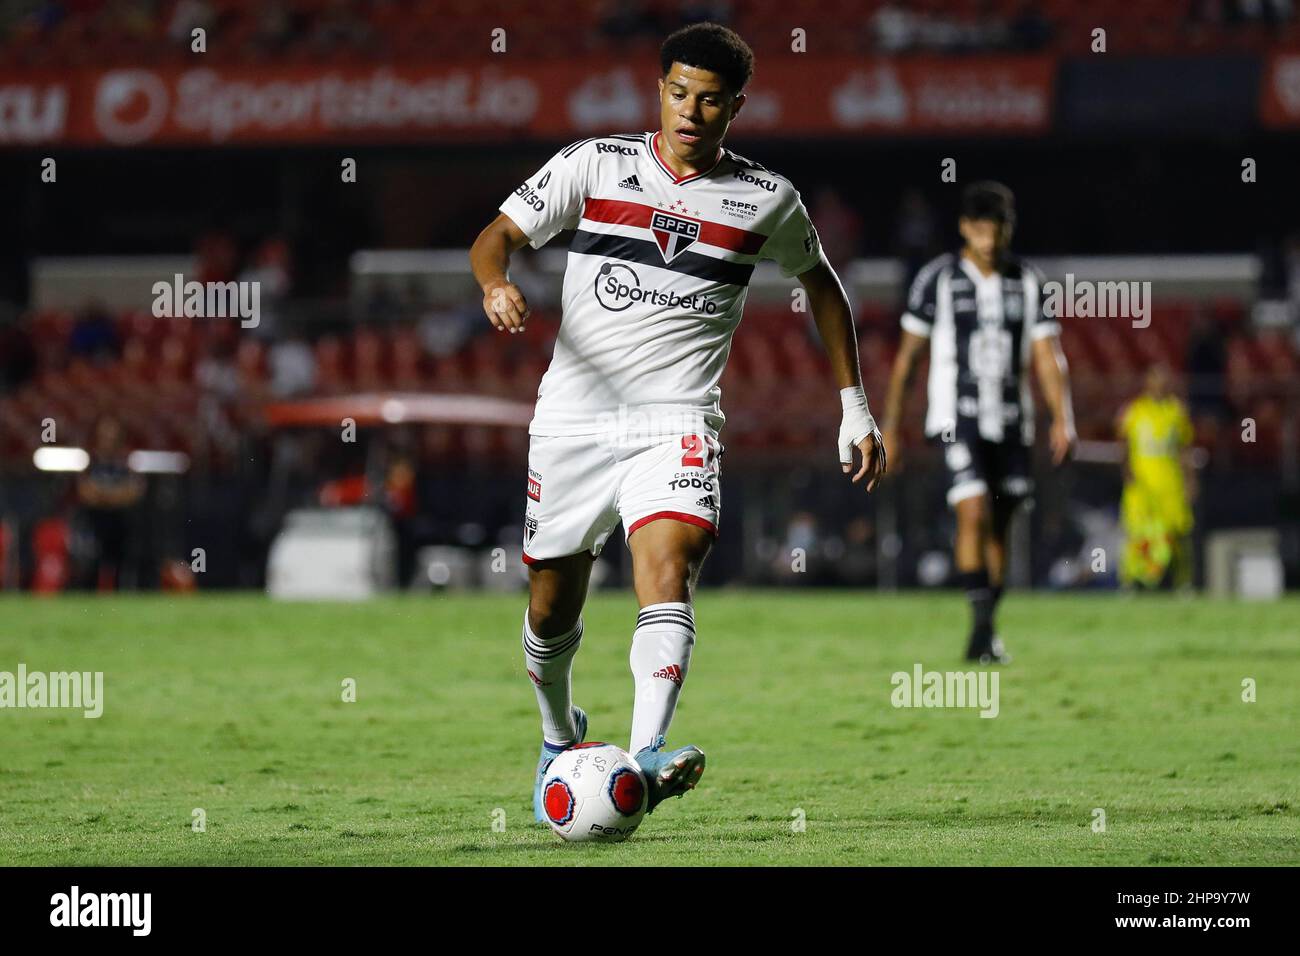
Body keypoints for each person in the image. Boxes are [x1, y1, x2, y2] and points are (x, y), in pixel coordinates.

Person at [468, 22, 886, 825]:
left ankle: (647, 753)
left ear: (736, 106)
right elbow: (497, 238)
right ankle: (560, 737)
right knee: (551, 608)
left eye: (710, 100)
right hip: (573, 422)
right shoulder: (596, 164)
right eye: (678, 93)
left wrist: (854, 405)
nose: (690, 111)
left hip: (679, 420)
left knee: (670, 570)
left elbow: (824, 286)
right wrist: (495, 284)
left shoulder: (768, 197)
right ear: (659, 90)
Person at [880, 181, 1075, 664]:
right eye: (983, 228)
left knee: (1002, 524)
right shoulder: (937, 280)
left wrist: (1062, 418)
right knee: (973, 511)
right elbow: (907, 359)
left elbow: (1048, 356)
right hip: (955, 418)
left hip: (1012, 419)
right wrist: (890, 425)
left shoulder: (1027, 281)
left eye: (1000, 228)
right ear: (966, 229)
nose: (992, 239)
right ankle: (983, 628)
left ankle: (986, 627)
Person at [1116, 364, 1196, 589]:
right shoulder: (1134, 411)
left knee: (1178, 533)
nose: (1161, 384)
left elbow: (1185, 449)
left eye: (1165, 379)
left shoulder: (1177, 411)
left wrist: (1190, 480)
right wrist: (1127, 472)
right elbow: (1122, 444)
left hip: (1170, 484)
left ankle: (1183, 583)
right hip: (1142, 485)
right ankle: (1129, 582)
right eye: (1156, 378)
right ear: (1147, 381)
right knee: (1136, 534)